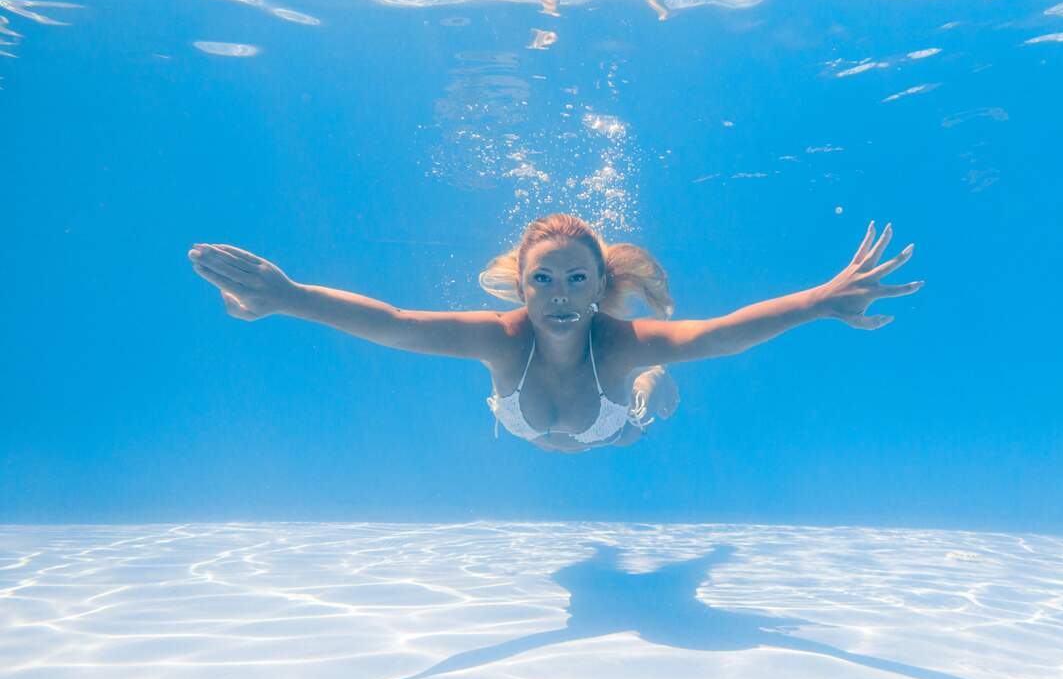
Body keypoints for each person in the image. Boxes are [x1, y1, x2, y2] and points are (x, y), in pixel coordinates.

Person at [187, 214, 922, 453]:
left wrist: (823, 300)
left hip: (613, 422)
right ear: (519, 285)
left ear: (602, 287)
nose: (560, 296)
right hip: (524, 421)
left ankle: (649, 397)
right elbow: (397, 325)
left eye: (577, 280)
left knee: (652, 397)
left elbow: (721, 334)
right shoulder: (501, 336)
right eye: (542, 280)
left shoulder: (622, 340)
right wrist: (289, 296)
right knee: (528, 399)